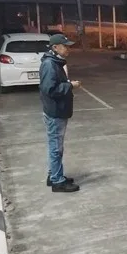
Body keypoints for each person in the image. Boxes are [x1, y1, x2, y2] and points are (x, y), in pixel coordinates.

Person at [39, 34, 81, 193]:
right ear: (55, 47)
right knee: (56, 147)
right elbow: (49, 89)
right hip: (55, 112)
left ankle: (54, 175)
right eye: (65, 46)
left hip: (57, 110)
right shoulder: (50, 64)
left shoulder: (54, 62)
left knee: (55, 145)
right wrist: (70, 86)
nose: (68, 49)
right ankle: (57, 181)